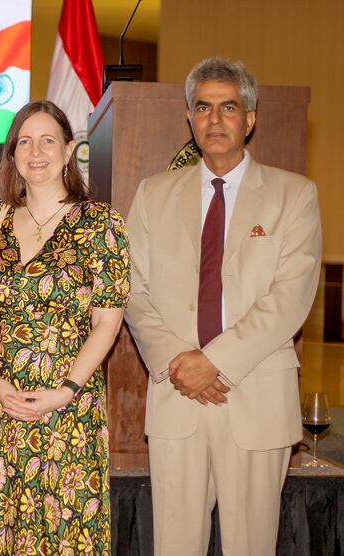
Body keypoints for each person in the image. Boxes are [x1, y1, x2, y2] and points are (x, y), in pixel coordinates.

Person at [124, 58, 322, 555]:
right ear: (188, 118)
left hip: (256, 396)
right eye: (203, 107)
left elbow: (290, 298)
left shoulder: (294, 195)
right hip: (177, 395)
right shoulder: (152, 195)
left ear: (250, 118)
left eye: (228, 107)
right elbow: (130, 289)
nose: (215, 119)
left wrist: (214, 362)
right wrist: (180, 363)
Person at [0, 100, 129, 554]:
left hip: (66, 411)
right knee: (0, 530)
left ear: (69, 149)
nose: (36, 151)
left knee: (64, 534)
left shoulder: (101, 223)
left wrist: (68, 388)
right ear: (12, 154)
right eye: (25, 141)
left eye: (48, 140)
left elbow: (107, 320)